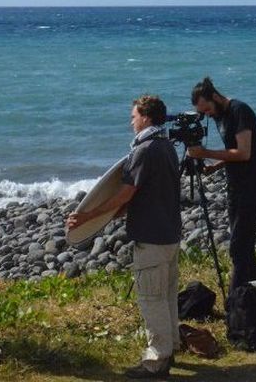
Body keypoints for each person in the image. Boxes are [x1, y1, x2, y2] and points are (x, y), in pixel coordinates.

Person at [67, 95, 182, 379]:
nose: (131, 121)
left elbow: (126, 193)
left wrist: (87, 216)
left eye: (133, 116)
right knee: (167, 296)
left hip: (152, 238)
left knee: (151, 298)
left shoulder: (144, 150)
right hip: (170, 234)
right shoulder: (168, 147)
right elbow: (143, 195)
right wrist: (109, 216)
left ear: (145, 117)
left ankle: (157, 360)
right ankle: (171, 348)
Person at [187, 77, 256, 293]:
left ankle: (236, 296)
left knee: (238, 245)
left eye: (207, 109)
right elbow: (233, 150)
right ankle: (251, 293)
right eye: (203, 113)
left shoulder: (239, 110)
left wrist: (204, 153)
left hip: (253, 185)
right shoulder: (220, 115)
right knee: (243, 244)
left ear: (215, 97)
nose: (208, 115)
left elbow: (244, 152)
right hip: (236, 186)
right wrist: (216, 165)